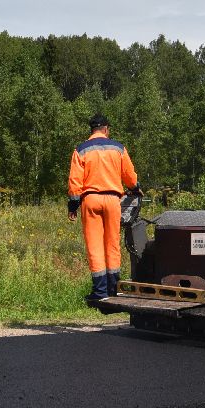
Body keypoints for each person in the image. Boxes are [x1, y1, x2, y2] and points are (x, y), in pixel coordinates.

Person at [68, 113, 138, 305]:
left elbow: (75, 181)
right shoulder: (118, 148)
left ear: (92, 130)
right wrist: (135, 188)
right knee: (112, 244)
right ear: (106, 129)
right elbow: (130, 176)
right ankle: (114, 289)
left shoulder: (81, 149)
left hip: (90, 200)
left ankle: (99, 292)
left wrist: (73, 205)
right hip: (113, 200)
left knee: (95, 246)